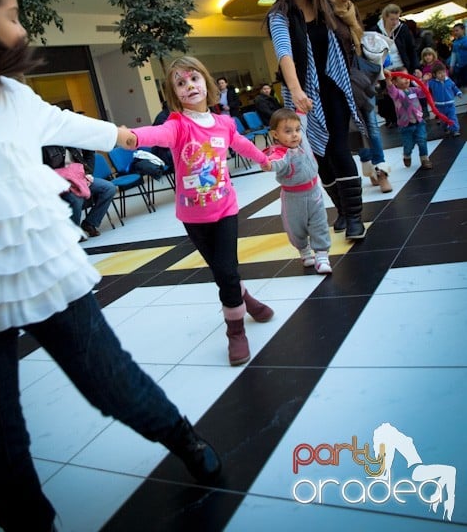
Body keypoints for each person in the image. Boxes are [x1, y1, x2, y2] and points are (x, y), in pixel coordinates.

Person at [0, 0, 221, 532]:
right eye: (11, 16)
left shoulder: (11, 94)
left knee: (110, 380)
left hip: (44, 268)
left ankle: (182, 437)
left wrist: (124, 136)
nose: (21, 29)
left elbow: (62, 122)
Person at [126, 56, 274, 366]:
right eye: (181, 83)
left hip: (225, 209)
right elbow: (155, 135)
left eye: (193, 79)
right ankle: (246, 300)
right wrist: (130, 136)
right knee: (224, 271)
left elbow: (240, 145)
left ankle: (235, 332)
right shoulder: (177, 126)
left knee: (225, 270)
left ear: (206, 84)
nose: (189, 86)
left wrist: (262, 158)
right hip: (193, 217)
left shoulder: (224, 123)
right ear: (175, 93)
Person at [266, 0, 366, 241]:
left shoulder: (325, 7)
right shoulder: (279, 14)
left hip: (334, 87)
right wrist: (297, 92)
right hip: (302, 94)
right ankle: (343, 210)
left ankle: (356, 216)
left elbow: (350, 37)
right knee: (319, 157)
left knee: (338, 148)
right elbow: (284, 52)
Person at [328, 0, 392, 194]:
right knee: (356, 127)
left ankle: (381, 171)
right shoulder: (326, 15)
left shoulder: (351, 10)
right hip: (340, 81)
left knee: (372, 126)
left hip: (361, 76)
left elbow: (361, 43)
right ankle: (369, 168)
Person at [265, 109, 332, 274]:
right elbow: (275, 163)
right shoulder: (280, 153)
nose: (295, 135)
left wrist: (301, 107)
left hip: (314, 193)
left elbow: (303, 120)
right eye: (287, 131)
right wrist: (267, 164)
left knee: (320, 223)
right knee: (295, 228)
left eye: (297, 130)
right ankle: (303, 250)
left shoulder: (303, 142)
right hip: (293, 198)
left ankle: (322, 256)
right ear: (275, 134)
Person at [42, 145, 117, 237]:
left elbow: (89, 152)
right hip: (60, 182)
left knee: (109, 188)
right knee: (77, 198)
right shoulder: (44, 145)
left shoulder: (70, 138)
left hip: (79, 177)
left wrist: (87, 173)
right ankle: (74, 231)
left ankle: (90, 223)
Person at [372, 3, 417, 128]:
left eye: (397, 18)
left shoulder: (402, 29)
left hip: (401, 65)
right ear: (385, 17)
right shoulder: (375, 31)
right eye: (392, 19)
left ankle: (412, 116)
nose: (395, 22)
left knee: (406, 91)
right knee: (389, 94)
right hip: (386, 68)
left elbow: (411, 48)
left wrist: (415, 67)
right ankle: (392, 119)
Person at [385, 68, 433, 169]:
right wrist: (388, 80)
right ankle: (407, 155)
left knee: (422, 140)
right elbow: (391, 90)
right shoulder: (397, 94)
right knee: (408, 145)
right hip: (405, 126)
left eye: (407, 76)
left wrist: (424, 81)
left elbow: (423, 92)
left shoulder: (414, 90)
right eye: (402, 77)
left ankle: (425, 159)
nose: (406, 79)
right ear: (395, 82)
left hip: (419, 122)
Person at [426, 61, 462, 137]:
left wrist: (458, 93)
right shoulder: (432, 83)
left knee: (452, 117)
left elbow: (454, 87)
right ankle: (445, 128)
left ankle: (455, 130)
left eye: (443, 72)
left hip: (450, 104)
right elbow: (425, 87)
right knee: (443, 120)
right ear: (434, 75)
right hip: (439, 106)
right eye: (439, 73)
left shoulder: (449, 81)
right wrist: (425, 80)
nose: (442, 74)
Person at [450, 22, 467, 88]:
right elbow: (453, 54)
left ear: (463, 30)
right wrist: (451, 66)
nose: (455, 32)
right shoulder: (455, 42)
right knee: (462, 81)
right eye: (454, 31)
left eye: (457, 30)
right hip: (460, 65)